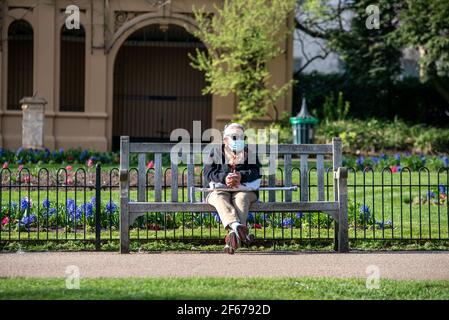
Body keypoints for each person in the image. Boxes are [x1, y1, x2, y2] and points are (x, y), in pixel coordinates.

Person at [203, 123, 261, 254]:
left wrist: (241, 176)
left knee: (242, 198)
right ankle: (239, 229)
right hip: (219, 190)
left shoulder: (249, 152)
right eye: (235, 137)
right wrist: (225, 177)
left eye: (242, 137)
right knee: (219, 198)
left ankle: (233, 237)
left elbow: (256, 172)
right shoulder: (215, 152)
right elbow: (207, 174)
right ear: (225, 139)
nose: (239, 140)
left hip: (244, 190)